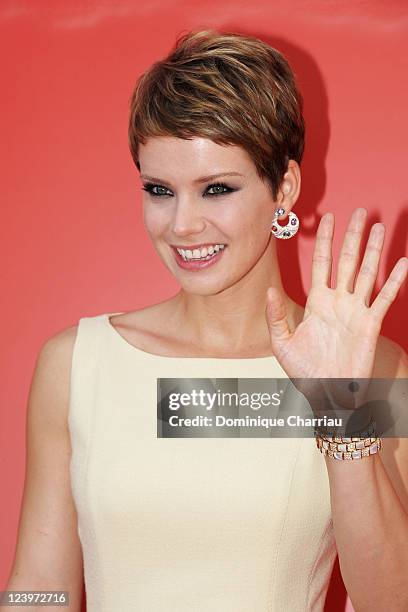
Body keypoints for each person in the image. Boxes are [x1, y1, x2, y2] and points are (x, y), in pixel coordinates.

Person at [2, 28, 408, 612]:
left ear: (284, 188)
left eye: (216, 188)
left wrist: (341, 409)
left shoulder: (372, 369)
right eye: (160, 190)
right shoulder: (76, 364)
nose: (182, 225)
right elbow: (40, 590)